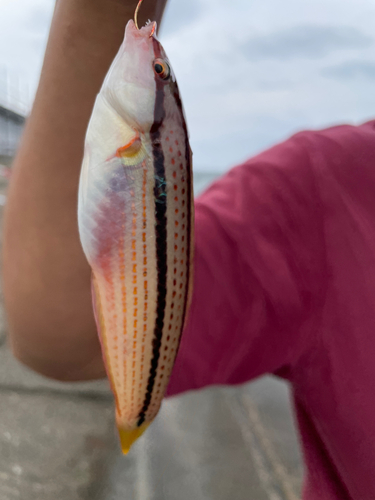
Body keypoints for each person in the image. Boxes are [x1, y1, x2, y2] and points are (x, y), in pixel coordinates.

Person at [3, 0, 375, 498]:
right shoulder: (326, 184)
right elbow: (60, 335)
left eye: (158, 69)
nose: (152, 58)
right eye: (161, 71)